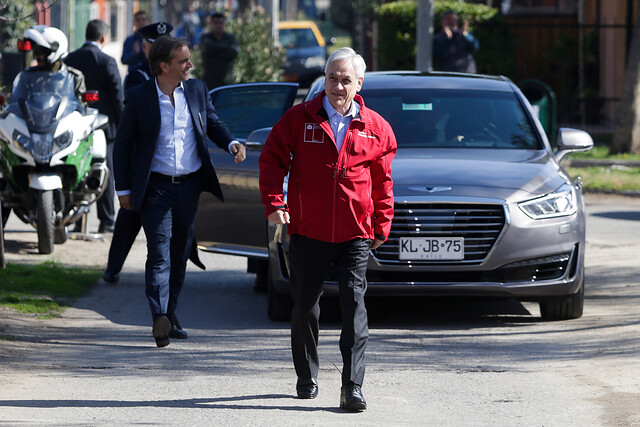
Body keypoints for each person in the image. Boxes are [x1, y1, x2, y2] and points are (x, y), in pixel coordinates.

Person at [258, 47, 397, 411]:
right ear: (324, 79)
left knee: (354, 308)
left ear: (359, 83)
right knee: (305, 307)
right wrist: (275, 203)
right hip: (308, 231)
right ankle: (307, 374)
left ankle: (352, 386)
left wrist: (382, 223)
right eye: (332, 78)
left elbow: (383, 182)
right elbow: (272, 159)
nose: (338, 86)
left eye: (345, 80)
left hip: (355, 234)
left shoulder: (377, 127)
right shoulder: (299, 118)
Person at [113, 36, 246, 348]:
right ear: (164, 66)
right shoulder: (139, 97)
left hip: (188, 186)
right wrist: (123, 189)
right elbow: (121, 148)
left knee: (180, 253)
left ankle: (170, 315)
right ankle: (158, 314)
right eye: (184, 61)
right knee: (158, 252)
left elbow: (212, 123)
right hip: (155, 187)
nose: (190, 65)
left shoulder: (197, 90)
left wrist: (230, 143)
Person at [65, 20, 124, 234]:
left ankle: (72, 219)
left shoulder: (70, 59)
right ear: (103, 38)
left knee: (76, 172)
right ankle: (107, 221)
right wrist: (123, 124)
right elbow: (117, 97)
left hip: (75, 127)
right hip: (104, 128)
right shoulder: (107, 61)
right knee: (104, 173)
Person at [21, 25, 85, 97]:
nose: (35, 56)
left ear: (53, 51)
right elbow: (19, 98)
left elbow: (80, 105)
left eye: (39, 51)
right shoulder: (29, 76)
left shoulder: (74, 77)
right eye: (34, 51)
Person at [198, 11, 239, 89]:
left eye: (220, 23)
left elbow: (234, 52)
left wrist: (215, 51)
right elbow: (207, 48)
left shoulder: (230, 38)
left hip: (227, 83)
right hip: (209, 83)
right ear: (211, 24)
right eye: (215, 23)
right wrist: (226, 48)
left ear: (224, 24)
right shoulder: (206, 37)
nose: (218, 25)